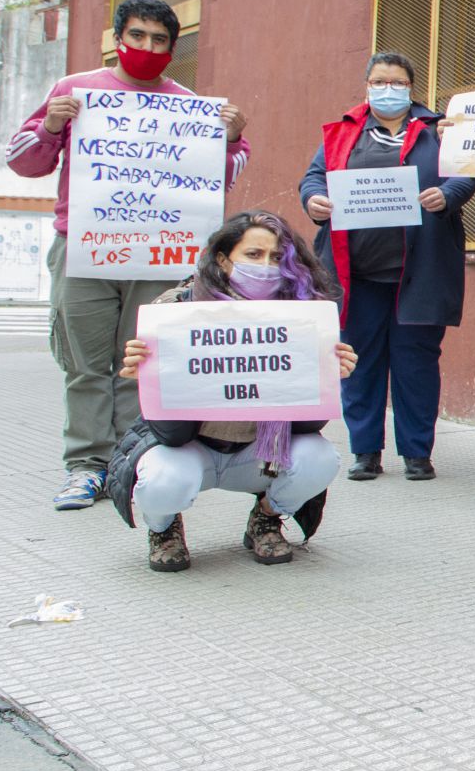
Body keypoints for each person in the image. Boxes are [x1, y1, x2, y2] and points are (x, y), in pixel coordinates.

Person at [6, 0, 252, 511]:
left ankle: (131, 459)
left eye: (159, 40)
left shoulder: (188, 105)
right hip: (84, 250)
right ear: (117, 40)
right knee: (84, 362)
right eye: (137, 36)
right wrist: (52, 126)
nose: (147, 47)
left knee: (140, 361)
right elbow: (24, 163)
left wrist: (230, 140)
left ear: (172, 48)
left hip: (159, 256)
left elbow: (220, 179)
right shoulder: (74, 91)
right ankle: (85, 466)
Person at [115, 211, 356, 570]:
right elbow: (169, 434)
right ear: (224, 260)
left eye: (276, 258)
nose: (267, 267)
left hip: (259, 454)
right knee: (164, 479)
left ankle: (266, 517)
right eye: (253, 255)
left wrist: (324, 379)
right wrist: (154, 379)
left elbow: (307, 428)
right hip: (190, 449)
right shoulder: (176, 311)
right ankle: (164, 529)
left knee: (319, 458)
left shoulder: (303, 316)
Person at [300, 52, 475, 482]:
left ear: (411, 88)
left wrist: (448, 195)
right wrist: (314, 201)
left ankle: (417, 453)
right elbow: (313, 179)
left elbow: (470, 173)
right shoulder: (342, 133)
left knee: (416, 365)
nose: (388, 88)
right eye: (380, 81)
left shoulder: (439, 131)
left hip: (420, 271)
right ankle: (365, 452)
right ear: (366, 87)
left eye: (397, 82)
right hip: (356, 275)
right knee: (358, 364)